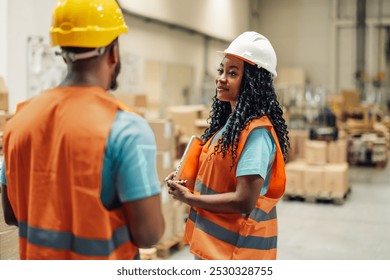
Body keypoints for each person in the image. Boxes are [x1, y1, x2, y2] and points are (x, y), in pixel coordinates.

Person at [0, 0, 164, 260]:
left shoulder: (18, 122)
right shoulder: (126, 128)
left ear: (63, 52)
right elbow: (149, 234)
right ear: (113, 52)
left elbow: (11, 214)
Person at [167, 31, 289, 260]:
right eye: (221, 70)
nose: (221, 78)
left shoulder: (256, 134)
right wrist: (185, 178)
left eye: (232, 73)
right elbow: (216, 175)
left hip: (239, 253)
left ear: (253, 82)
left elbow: (244, 200)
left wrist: (190, 199)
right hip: (214, 249)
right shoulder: (229, 126)